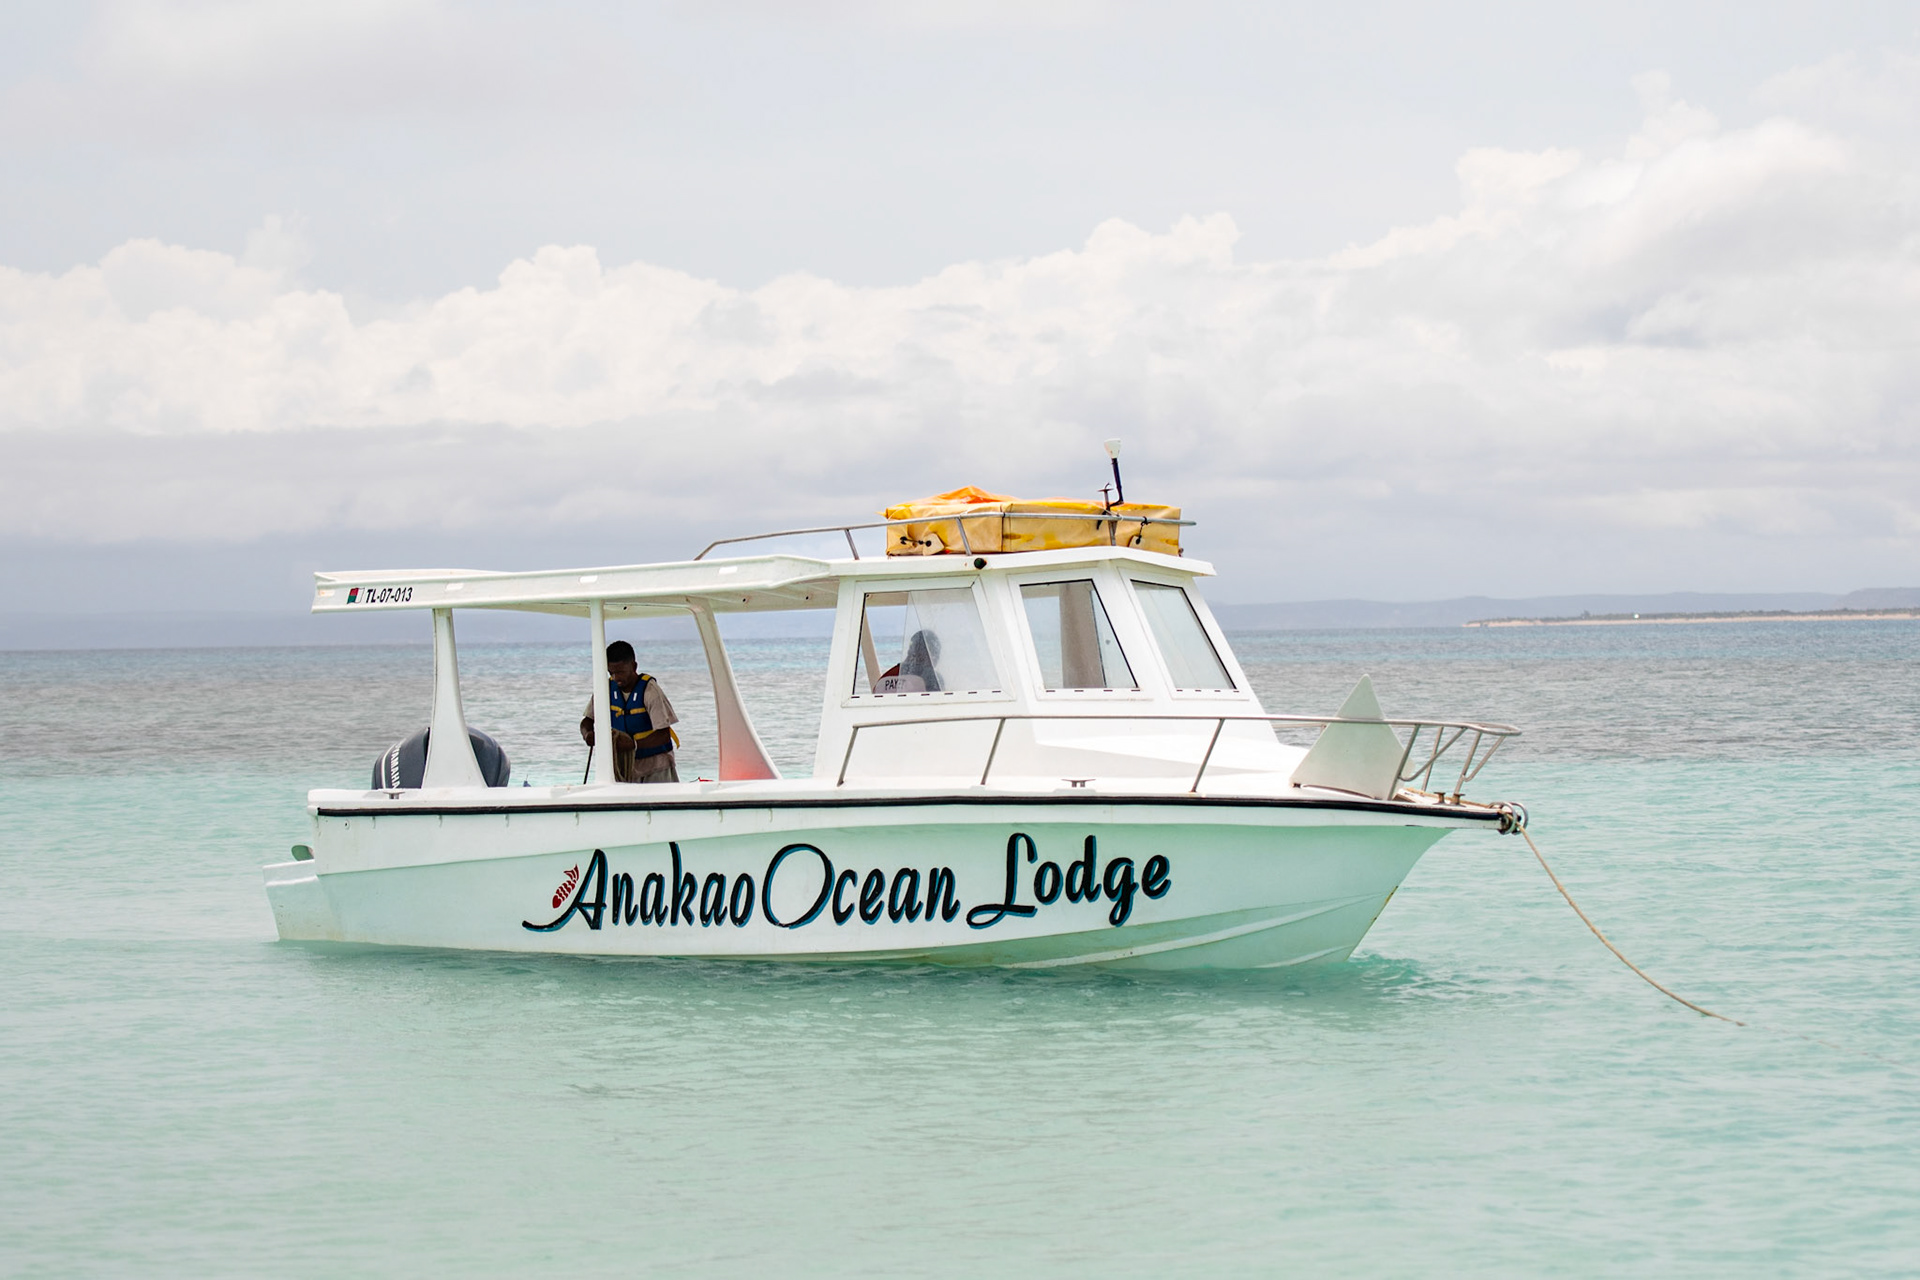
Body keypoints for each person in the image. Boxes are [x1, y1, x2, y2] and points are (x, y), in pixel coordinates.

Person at [580, 640, 680, 783]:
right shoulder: (606, 688)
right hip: (623, 770)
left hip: (655, 768)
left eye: (620, 672)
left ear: (634, 666)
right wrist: (587, 734)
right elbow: (587, 721)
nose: (616, 678)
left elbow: (663, 735)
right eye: (611, 673)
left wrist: (633, 744)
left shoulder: (650, 690)